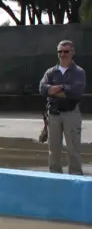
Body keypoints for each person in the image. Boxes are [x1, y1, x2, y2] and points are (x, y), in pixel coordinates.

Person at [39, 40, 86, 175]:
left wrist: (56, 88)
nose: (62, 54)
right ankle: (55, 178)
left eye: (66, 51)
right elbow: (42, 89)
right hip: (53, 114)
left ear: (72, 53)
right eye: (60, 51)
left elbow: (75, 91)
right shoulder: (51, 72)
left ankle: (76, 178)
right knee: (53, 150)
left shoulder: (79, 72)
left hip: (71, 113)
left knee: (73, 149)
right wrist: (63, 89)